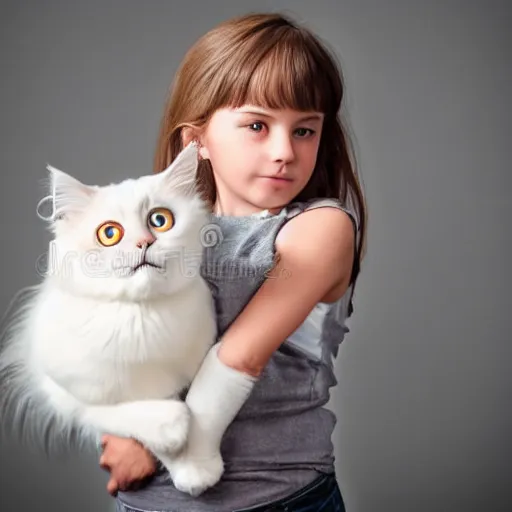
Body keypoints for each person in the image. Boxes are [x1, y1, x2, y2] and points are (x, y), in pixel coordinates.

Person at [100, 11, 367, 512]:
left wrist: (148, 442)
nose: (284, 151)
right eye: (257, 125)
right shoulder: (156, 234)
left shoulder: (320, 229)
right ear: (196, 138)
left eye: (305, 131)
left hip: (278, 500)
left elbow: (240, 355)